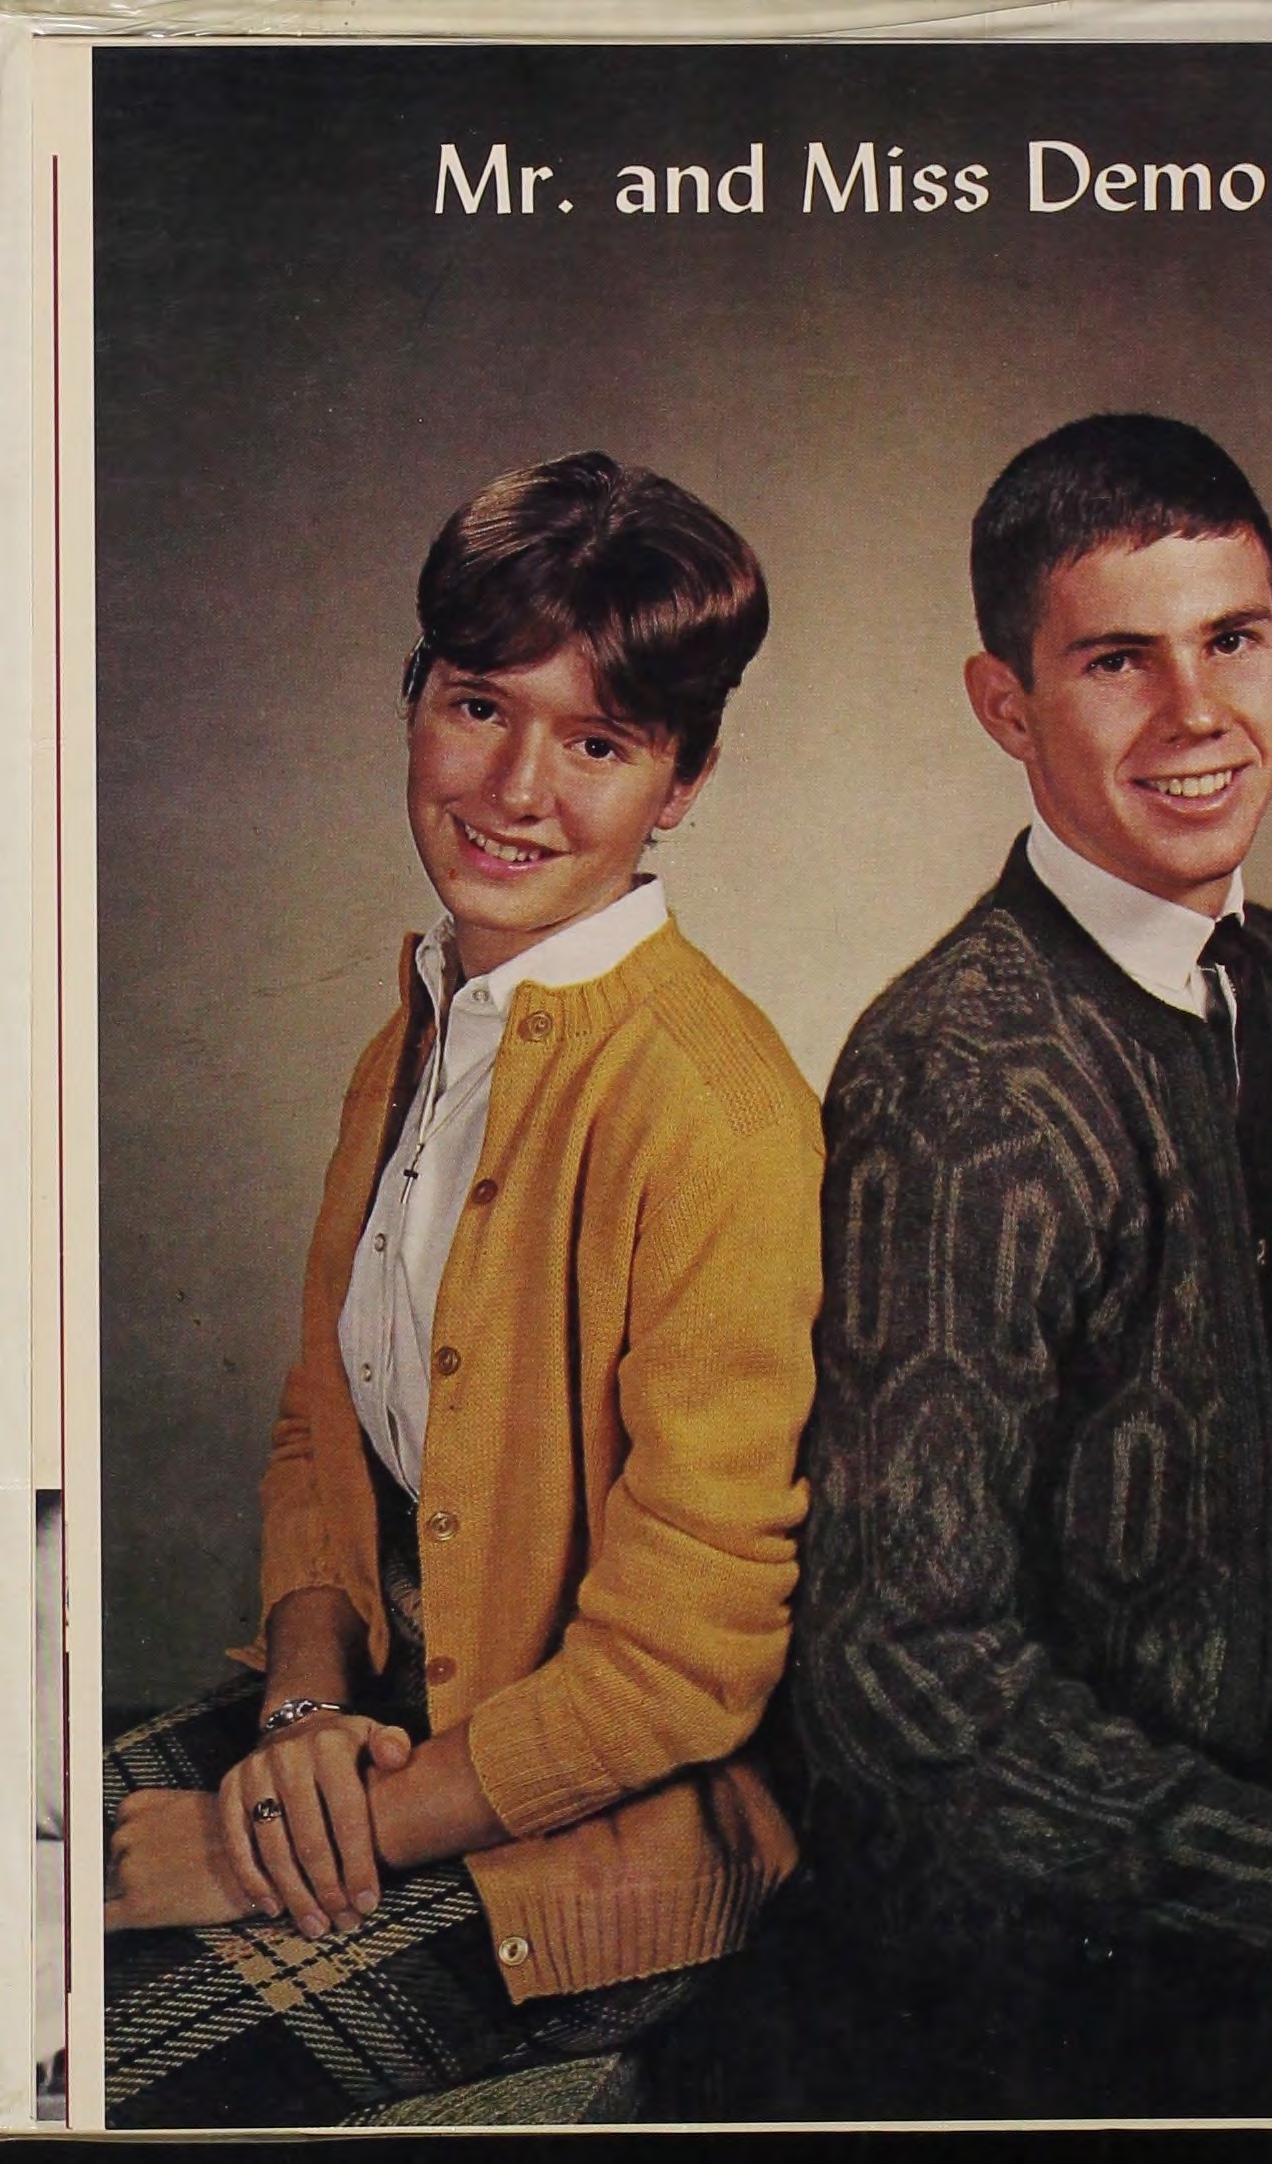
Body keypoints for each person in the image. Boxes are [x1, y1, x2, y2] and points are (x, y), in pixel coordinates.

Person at [791, 414, 1272, 2118]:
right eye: (1115, 660)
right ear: (1005, 706)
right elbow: (901, 1667)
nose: (1194, 712)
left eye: (1229, 640)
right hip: (1054, 1919)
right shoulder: (961, 1079)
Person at [102, 452, 824, 2128]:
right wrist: (301, 1713)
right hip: (377, 1719)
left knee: (68, 2053)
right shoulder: (417, 1033)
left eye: (598, 743)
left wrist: (259, 1844)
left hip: (594, 1841)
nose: (513, 788)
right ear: (415, 697)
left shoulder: (712, 1112)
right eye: (478, 707)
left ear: (685, 780)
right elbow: (320, 1434)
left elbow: (686, 1667)